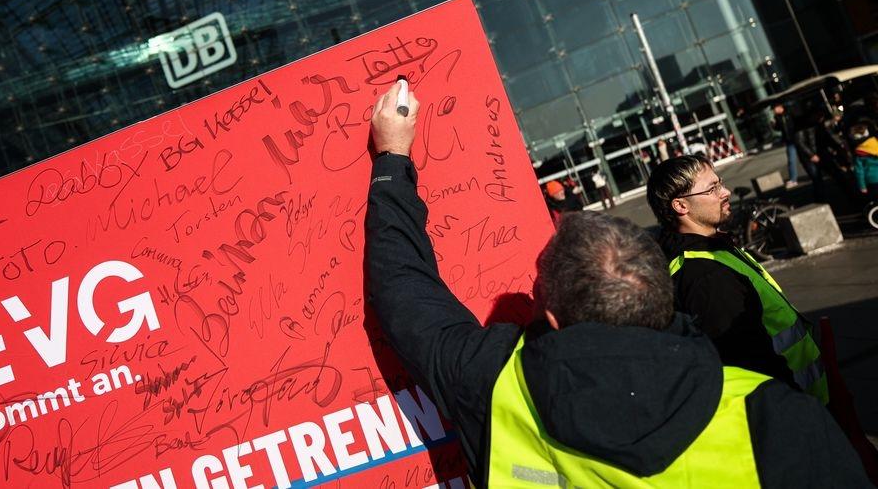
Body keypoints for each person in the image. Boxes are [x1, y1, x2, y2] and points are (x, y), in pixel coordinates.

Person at [366, 83, 866, 488]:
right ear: (656, 301)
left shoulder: (493, 384)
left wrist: (391, 160)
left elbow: (404, 289)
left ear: (556, 319)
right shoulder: (773, 414)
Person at [646, 155, 828, 403]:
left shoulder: (712, 249)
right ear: (681, 206)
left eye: (720, 183)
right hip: (797, 411)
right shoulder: (705, 276)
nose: (726, 191)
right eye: (712, 189)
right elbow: (748, 363)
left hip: (807, 401)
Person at [772, 104, 799, 188]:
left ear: (780, 107)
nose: (774, 110)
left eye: (774, 108)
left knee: (807, 157)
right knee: (791, 160)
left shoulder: (790, 113)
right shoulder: (777, 117)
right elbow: (779, 128)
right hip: (789, 141)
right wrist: (773, 125)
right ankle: (793, 179)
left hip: (797, 138)